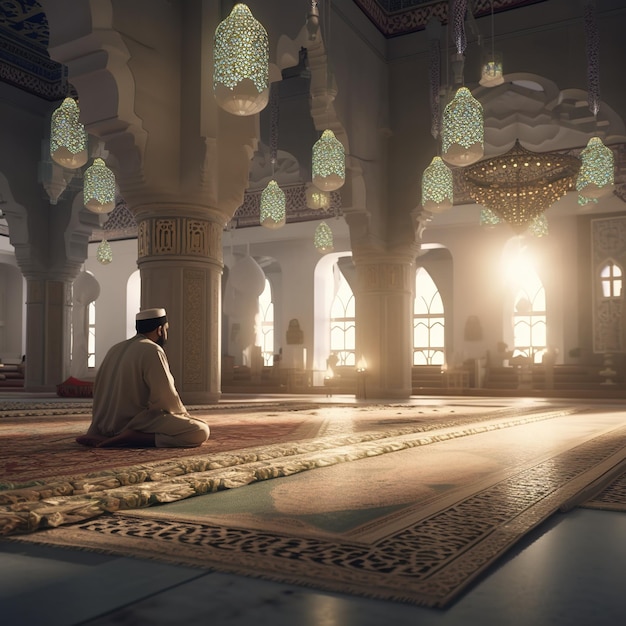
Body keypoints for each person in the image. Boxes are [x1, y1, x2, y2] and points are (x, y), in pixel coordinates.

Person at [76, 307, 210, 448]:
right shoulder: (152, 349)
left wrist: (97, 425)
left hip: (103, 425)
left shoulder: (115, 349)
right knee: (200, 430)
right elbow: (165, 396)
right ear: (160, 330)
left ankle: (105, 435)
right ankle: (135, 437)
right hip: (134, 423)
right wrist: (183, 416)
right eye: (166, 329)